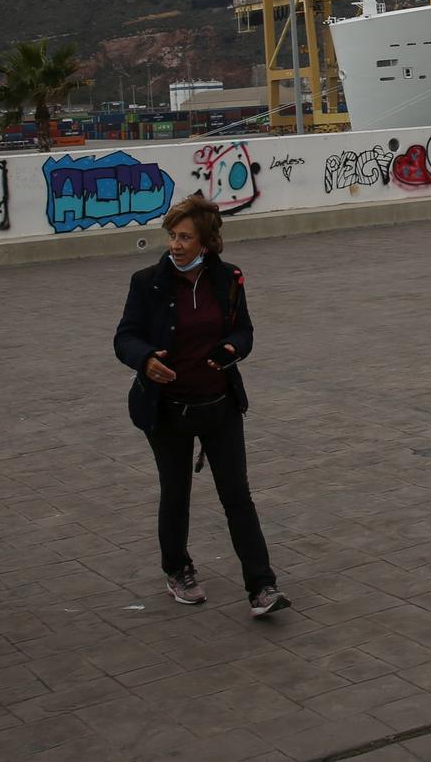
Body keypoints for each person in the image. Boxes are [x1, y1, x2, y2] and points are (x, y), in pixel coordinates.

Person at [114, 196, 289, 618]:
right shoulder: (147, 282)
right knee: (176, 494)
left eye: (185, 237)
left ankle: (262, 587)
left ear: (206, 242)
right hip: (168, 411)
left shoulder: (229, 279)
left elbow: (244, 330)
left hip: (220, 407)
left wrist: (234, 348)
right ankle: (177, 569)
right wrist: (146, 360)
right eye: (172, 236)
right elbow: (125, 337)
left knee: (237, 496)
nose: (175, 245)